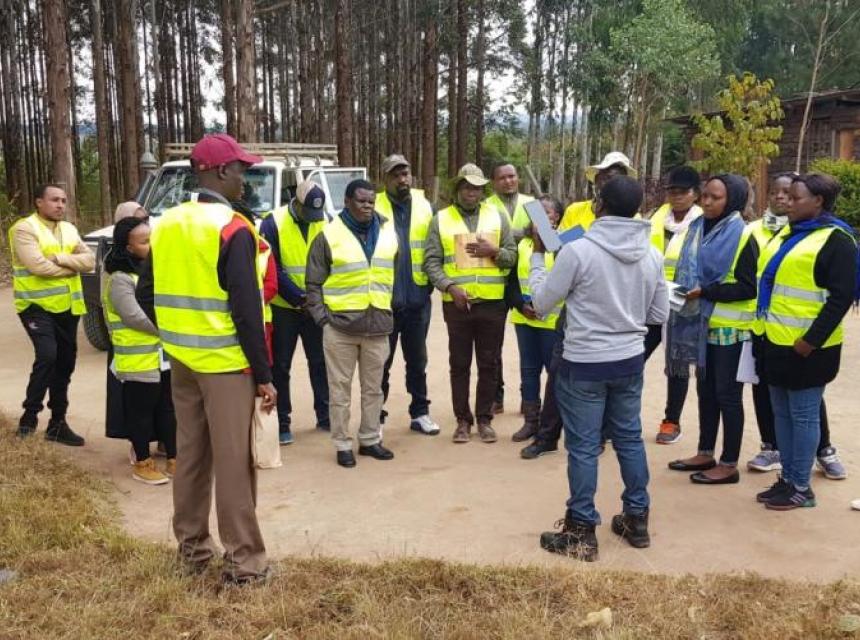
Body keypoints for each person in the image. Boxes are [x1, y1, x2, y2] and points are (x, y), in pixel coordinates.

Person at [136, 133, 275, 585]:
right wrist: (264, 374)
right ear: (220, 171)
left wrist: (177, 334)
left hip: (182, 360)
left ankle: (193, 551)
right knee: (235, 464)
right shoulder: (233, 228)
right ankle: (245, 563)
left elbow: (146, 292)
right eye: (241, 170)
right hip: (226, 365)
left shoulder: (167, 223)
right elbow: (247, 311)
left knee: (191, 455)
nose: (244, 179)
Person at [533, 175, 668, 562]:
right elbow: (658, 314)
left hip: (584, 363)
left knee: (583, 447)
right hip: (629, 361)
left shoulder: (578, 252)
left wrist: (539, 256)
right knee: (629, 439)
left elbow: (541, 303)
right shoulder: (651, 254)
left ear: (598, 206)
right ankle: (636, 519)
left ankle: (580, 530)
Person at [753, 173, 857, 510]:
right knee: (781, 414)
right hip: (776, 341)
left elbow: (840, 298)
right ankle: (787, 479)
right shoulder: (790, 233)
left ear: (818, 202)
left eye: (796, 198)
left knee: (803, 417)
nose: (788, 202)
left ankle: (801, 487)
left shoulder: (837, 240)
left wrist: (811, 340)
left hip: (809, 350)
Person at [666, 175, 759, 485]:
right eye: (704, 195)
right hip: (699, 326)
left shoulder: (742, 235)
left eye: (715, 197)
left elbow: (748, 287)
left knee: (727, 396)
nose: (706, 202)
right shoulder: (697, 229)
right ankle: (705, 452)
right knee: (705, 392)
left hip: (730, 329)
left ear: (732, 199)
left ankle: (729, 463)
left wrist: (705, 291)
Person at [305, 179, 398, 468]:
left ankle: (369, 439)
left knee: (374, 389)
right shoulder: (328, 235)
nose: (367, 206)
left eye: (371, 201)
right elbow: (313, 283)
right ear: (346, 202)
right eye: (361, 201)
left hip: (378, 326)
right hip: (340, 328)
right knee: (340, 391)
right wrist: (323, 320)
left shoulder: (387, 232)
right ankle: (343, 444)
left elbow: (391, 273)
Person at [423, 163, 517, 444]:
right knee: (460, 364)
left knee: (489, 363)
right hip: (458, 306)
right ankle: (463, 420)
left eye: (476, 188)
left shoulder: (497, 216)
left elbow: (512, 256)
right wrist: (449, 287)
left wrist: (495, 251)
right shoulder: (441, 219)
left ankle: (485, 420)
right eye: (466, 187)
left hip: (492, 304)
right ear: (457, 189)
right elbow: (431, 262)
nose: (471, 192)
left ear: (482, 190)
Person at [10, 184, 95, 444]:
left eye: (64, 200)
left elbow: (91, 261)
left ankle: (57, 424)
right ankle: (28, 420)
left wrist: (59, 259)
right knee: (47, 356)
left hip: (68, 307)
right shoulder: (24, 229)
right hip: (36, 307)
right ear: (39, 202)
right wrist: (73, 266)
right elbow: (38, 267)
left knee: (65, 363)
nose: (60, 205)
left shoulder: (69, 229)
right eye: (54, 200)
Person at [103, 217, 176, 485]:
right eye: (145, 242)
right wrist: (172, 327)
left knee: (168, 408)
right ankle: (143, 463)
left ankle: (175, 458)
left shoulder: (157, 270)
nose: (152, 245)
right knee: (141, 412)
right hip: (137, 359)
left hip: (162, 357)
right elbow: (135, 317)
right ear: (128, 247)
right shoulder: (121, 279)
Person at [260, 180, 331, 444]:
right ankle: (282, 422)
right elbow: (272, 267)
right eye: (309, 212)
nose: (313, 218)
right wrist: (299, 298)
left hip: (316, 307)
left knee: (320, 362)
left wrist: (315, 301)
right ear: (297, 203)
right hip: (285, 308)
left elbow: (332, 261)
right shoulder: (273, 223)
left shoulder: (325, 221)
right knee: (280, 366)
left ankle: (325, 415)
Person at [374, 155, 440, 435]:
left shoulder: (425, 206)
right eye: (395, 175)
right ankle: (375, 417)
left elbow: (436, 247)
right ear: (385, 179)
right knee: (380, 364)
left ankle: (420, 413)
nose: (402, 179)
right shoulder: (373, 205)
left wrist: (429, 286)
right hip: (384, 301)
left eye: (405, 174)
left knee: (417, 362)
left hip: (417, 300)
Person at [645, 166, 703, 445]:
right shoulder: (655, 218)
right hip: (651, 300)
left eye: (683, 192)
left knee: (678, 363)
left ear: (695, 194)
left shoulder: (703, 223)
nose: (676, 196)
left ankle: (671, 421)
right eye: (672, 191)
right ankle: (616, 417)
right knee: (634, 355)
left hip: (685, 304)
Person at [506, 195, 563, 443]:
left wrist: (543, 306)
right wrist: (521, 305)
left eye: (546, 213)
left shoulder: (564, 246)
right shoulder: (522, 245)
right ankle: (531, 421)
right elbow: (511, 283)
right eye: (536, 213)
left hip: (552, 322)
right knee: (529, 371)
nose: (539, 218)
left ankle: (552, 425)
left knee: (554, 373)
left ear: (556, 217)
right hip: (525, 319)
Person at [486, 163, 535, 414]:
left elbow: (548, 237)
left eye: (512, 176)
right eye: (502, 178)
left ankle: (529, 398)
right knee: (493, 345)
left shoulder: (533, 204)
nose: (508, 181)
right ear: (493, 182)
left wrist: (509, 237)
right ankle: (496, 396)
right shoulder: (486, 206)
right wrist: (524, 233)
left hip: (525, 281)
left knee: (529, 346)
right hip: (496, 279)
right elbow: (486, 241)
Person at [558, 151, 637, 234]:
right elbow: (559, 241)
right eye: (607, 178)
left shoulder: (633, 219)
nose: (612, 185)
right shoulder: (574, 211)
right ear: (596, 179)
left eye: (619, 182)